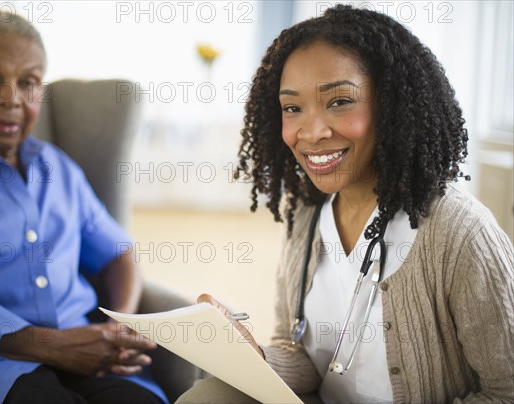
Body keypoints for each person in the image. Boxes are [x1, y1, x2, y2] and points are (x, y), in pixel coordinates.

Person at [177, 4, 514, 403]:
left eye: (339, 101)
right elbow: (303, 354)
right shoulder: (305, 214)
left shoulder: (459, 231)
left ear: (391, 105)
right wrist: (253, 356)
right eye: (292, 108)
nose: (312, 131)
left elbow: (506, 390)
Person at [0, 12, 167, 404]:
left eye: (27, 82)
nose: (10, 97)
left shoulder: (58, 167)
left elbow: (119, 251)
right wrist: (51, 345)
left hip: (87, 355)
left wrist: (119, 326)